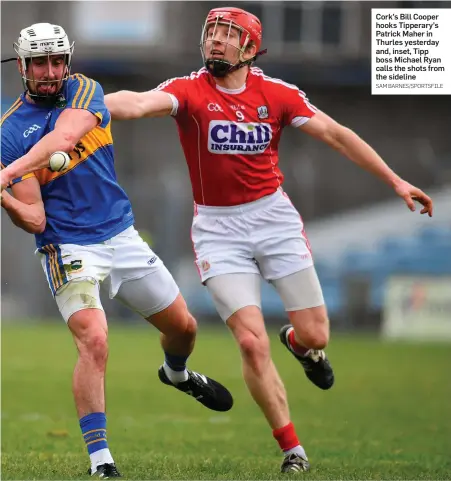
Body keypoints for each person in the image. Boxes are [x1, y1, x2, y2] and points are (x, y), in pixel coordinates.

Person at [103, 7, 434, 473]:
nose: (216, 41)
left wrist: (396, 181)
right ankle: (292, 450)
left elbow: (337, 135)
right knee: (252, 343)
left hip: (273, 220)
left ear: (251, 49)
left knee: (318, 333)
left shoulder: (277, 94)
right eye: (212, 32)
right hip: (218, 230)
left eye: (228, 35)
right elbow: (136, 103)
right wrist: (86, 99)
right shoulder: (189, 89)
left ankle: (300, 345)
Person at [0, 22, 233, 479]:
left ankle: (177, 374)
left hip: (121, 237)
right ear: (22, 66)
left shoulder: (84, 90)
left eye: (56, 60)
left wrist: (5, 174)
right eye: (39, 63)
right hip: (66, 246)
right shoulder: (9, 133)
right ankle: (100, 459)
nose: (50, 72)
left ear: (67, 61)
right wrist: (5, 196)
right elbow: (35, 219)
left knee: (184, 329)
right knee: (95, 339)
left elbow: (64, 140)